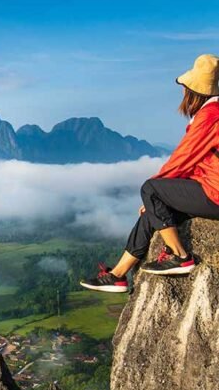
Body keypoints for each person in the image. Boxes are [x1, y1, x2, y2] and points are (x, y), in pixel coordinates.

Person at [81, 54, 219, 293]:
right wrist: (158, 201)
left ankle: (180, 256)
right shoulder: (211, 113)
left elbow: (184, 157)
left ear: (193, 91)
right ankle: (118, 275)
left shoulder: (210, 115)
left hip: (215, 193)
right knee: (153, 212)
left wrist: (155, 191)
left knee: (150, 188)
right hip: (210, 188)